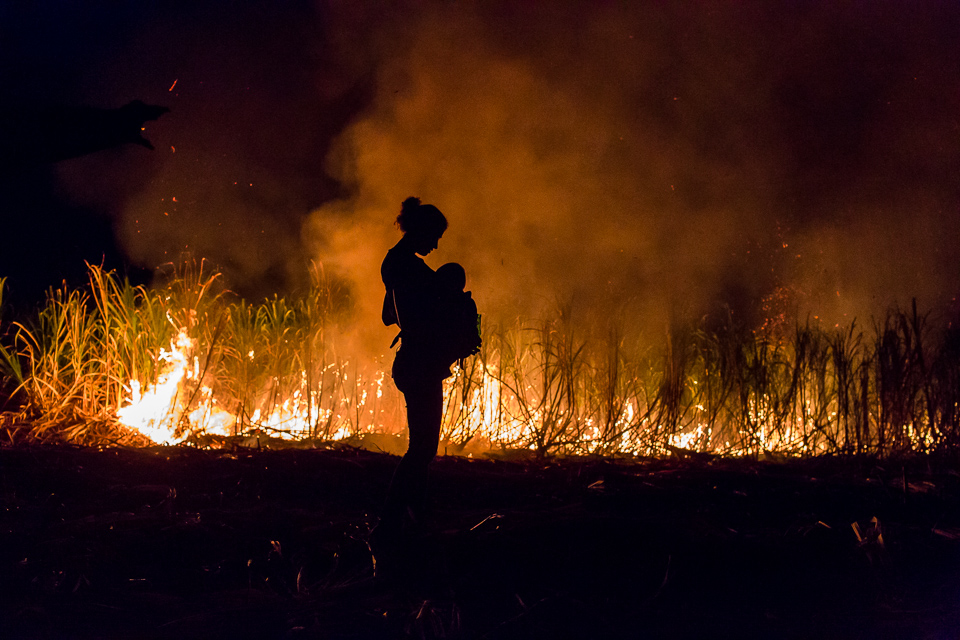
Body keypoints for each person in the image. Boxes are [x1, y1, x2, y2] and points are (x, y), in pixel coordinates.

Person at [376, 196, 450, 542]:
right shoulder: (408, 266)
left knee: (423, 447)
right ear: (422, 231)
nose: (435, 244)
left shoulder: (396, 262)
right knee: (422, 448)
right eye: (434, 236)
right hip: (420, 363)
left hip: (414, 362)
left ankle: (413, 516)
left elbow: (388, 316)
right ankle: (390, 520)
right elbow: (407, 314)